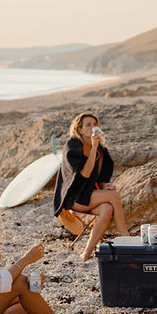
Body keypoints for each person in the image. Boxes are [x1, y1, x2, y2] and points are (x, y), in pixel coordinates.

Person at [53, 112, 129, 261]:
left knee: (107, 208)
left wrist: (106, 186)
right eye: (88, 125)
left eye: (95, 125)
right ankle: (125, 237)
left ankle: (87, 252)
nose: (93, 127)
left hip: (89, 194)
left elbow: (99, 180)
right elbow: (85, 174)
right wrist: (93, 147)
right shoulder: (72, 146)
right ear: (80, 129)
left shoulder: (101, 151)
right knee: (114, 197)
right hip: (74, 197)